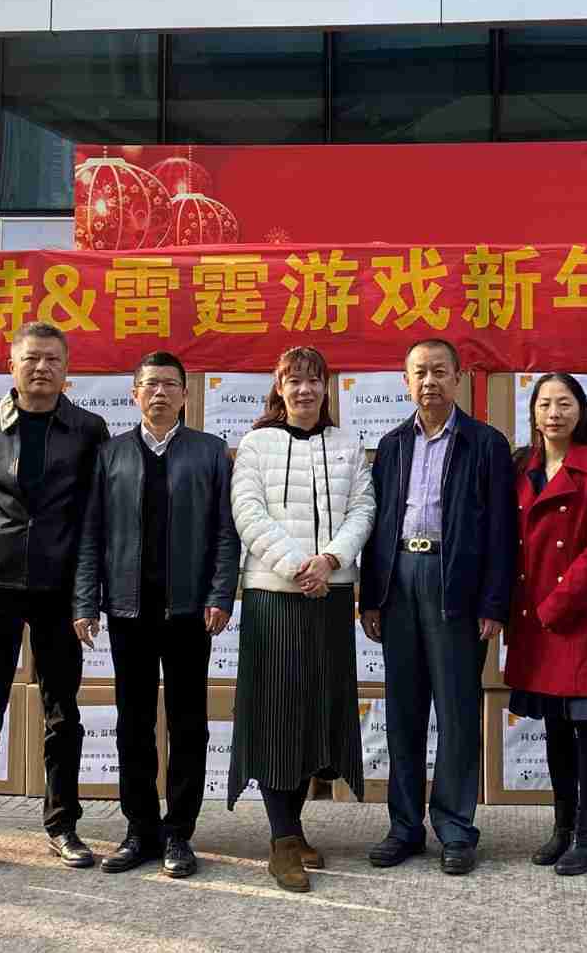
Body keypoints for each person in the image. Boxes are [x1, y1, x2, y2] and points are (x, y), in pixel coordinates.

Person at [0, 322, 110, 881]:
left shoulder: (89, 429)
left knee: (63, 714)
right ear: (11, 366)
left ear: (67, 368)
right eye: (31, 358)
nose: (41, 368)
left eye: (52, 359)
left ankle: (62, 826)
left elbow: (95, 511)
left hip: (60, 590)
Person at [73, 351, 239, 879]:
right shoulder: (110, 455)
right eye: (150, 385)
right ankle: (140, 829)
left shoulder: (209, 452)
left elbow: (225, 531)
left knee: (189, 725)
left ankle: (179, 833)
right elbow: (91, 534)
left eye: (170, 384)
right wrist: (85, 601)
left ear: (186, 395)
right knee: (134, 724)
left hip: (189, 612)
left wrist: (220, 594)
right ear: (135, 394)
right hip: (129, 611)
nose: (160, 393)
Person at [359, 338, 516, 876]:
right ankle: (404, 826)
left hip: (456, 583)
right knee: (403, 711)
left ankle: (455, 828)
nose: (429, 382)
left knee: (456, 712)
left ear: (458, 378)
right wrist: (371, 597)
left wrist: (494, 601)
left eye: (439, 372)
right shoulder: (391, 444)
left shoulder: (485, 443)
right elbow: (378, 526)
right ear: (406, 381)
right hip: (400, 578)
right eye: (420, 373)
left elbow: (502, 531)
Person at [227, 346, 376, 892]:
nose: (304, 389)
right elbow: (248, 512)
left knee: (317, 709)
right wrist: (297, 566)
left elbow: (363, 509)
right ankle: (282, 838)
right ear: (279, 387)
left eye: (314, 380)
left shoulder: (347, 445)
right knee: (276, 711)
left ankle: (294, 827)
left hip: (330, 595)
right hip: (274, 597)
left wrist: (330, 561)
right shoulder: (255, 445)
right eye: (294, 380)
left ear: (326, 387)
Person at [504, 373, 587, 877]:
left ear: (581, 410)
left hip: (581, 613)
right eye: (544, 404)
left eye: (564, 403)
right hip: (533, 613)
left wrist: (558, 602)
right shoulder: (522, 466)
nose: (554, 413)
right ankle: (561, 827)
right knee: (555, 725)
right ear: (533, 413)